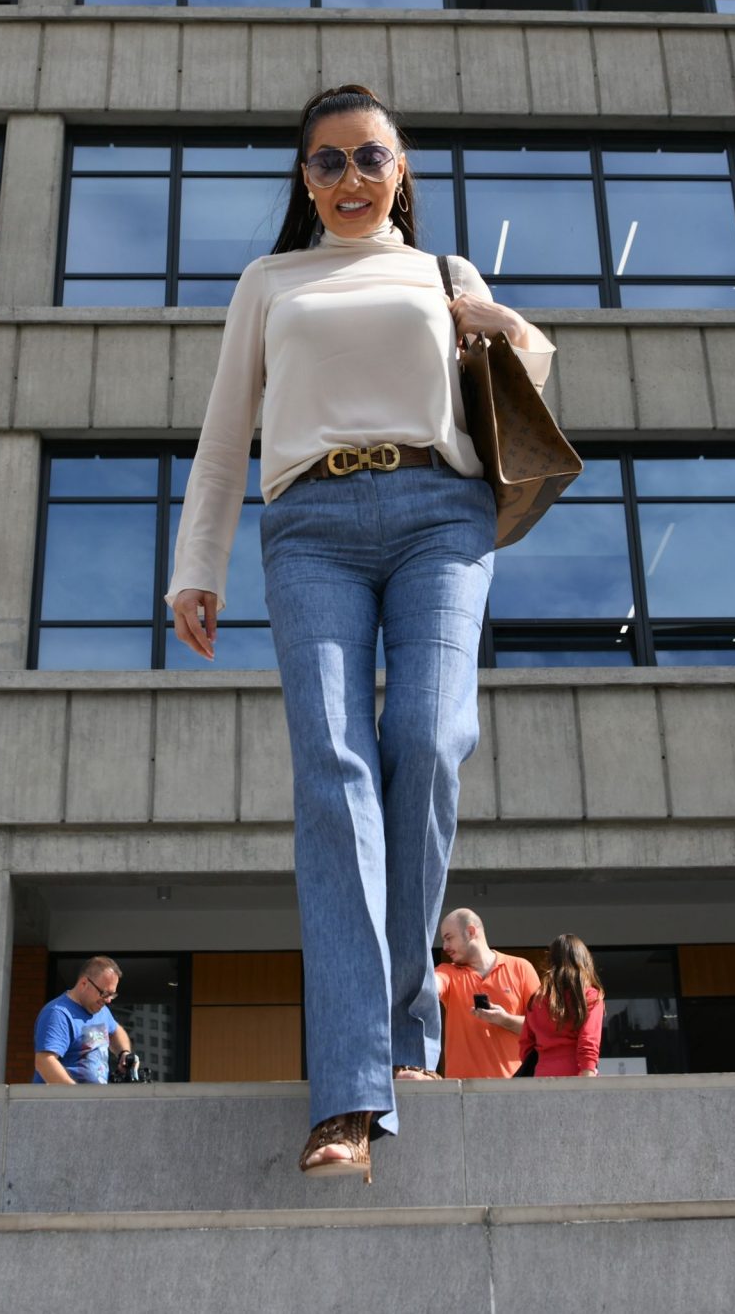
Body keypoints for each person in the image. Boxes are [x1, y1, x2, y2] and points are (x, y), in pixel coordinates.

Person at [166, 83, 553, 1182]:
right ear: (304, 179)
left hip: (443, 515)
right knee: (335, 777)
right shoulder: (270, 282)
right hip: (311, 526)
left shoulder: (443, 274)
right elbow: (222, 432)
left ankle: (403, 1036)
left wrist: (503, 323)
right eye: (326, 163)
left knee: (427, 744)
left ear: (401, 171)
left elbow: (530, 372)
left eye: (368, 159)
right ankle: (349, 1095)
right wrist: (197, 566)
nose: (347, 180)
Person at [430, 907, 541, 1081]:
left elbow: (542, 1029)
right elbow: (433, 985)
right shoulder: (447, 971)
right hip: (462, 1093)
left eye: (449, 938)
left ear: (471, 932)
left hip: (515, 1087)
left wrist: (504, 1019)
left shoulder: (521, 968)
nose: (445, 947)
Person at [32, 956, 132, 1085]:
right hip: (64, 1103)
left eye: (112, 994)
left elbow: (116, 1031)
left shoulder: (101, 1010)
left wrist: (124, 1053)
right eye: (104, 993)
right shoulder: (58, 1013)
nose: (108, 1000)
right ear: (84, 983)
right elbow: (45, 1062)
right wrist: (78, 1098)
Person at [519, 933, 604, 1078]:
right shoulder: (590, 996)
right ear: (584, 960)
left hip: (542, 1074)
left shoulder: (537, 999)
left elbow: (526, 1045)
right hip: (576, 1074)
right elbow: (589, 1040)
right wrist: (588, 1073)